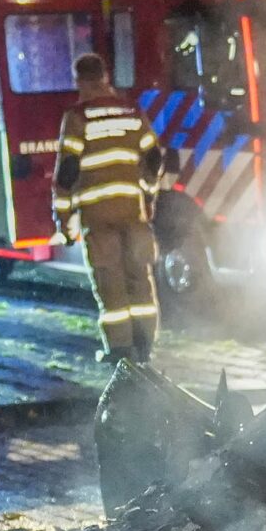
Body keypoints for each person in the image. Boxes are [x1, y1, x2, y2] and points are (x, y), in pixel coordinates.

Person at [53, 52, 166, 360]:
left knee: (110, 282)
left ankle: (119, 349)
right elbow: (154, 157)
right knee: (140, 279)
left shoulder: (79, 117)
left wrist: (63, 219)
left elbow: (68, 170)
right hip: (132, 211)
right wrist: (149, 194)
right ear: (105, 77)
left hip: (98, 216)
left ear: (79, 81)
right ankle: (145, 345)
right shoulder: (130, 111)